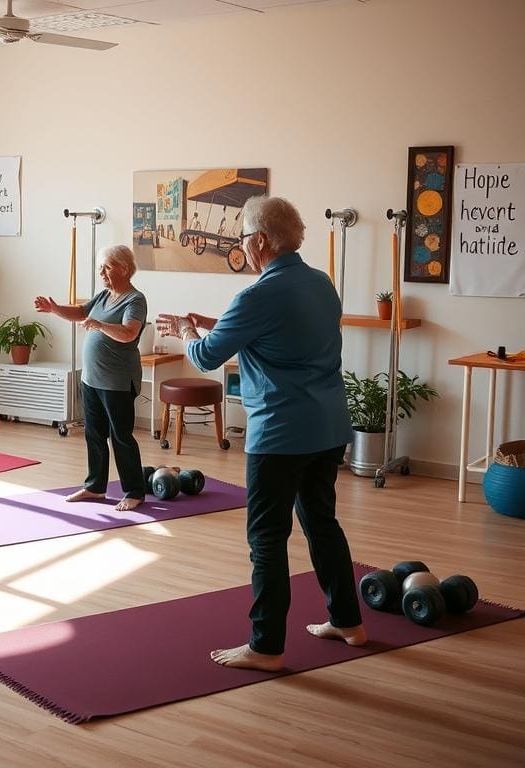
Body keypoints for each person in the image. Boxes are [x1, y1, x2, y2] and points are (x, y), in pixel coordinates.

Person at [156, 196, 366, 671]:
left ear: (261, 241)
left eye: (244, 239)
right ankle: (349, 622)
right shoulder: (320, 283)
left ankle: (266, 646)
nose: (243, 248)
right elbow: (273, 331)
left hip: (282, 432)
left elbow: (208, 357)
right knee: (321, 523)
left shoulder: (257, 295)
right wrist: (206, 325)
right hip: (328, 426)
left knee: (267, 539)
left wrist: (187, 334)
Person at [34, 245, 148, 513]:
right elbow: (82, 312)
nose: (102, 272)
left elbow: (129, 333)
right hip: (92, 379)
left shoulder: (135, 300)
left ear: (123, 268)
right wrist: (54, 309)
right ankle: (96, 487)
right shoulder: (104, 295)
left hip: (117, 382)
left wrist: (100, 325)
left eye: (107, 267)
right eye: (101, 267)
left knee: (120, 437)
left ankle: (134, 491)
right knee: (94, 434)